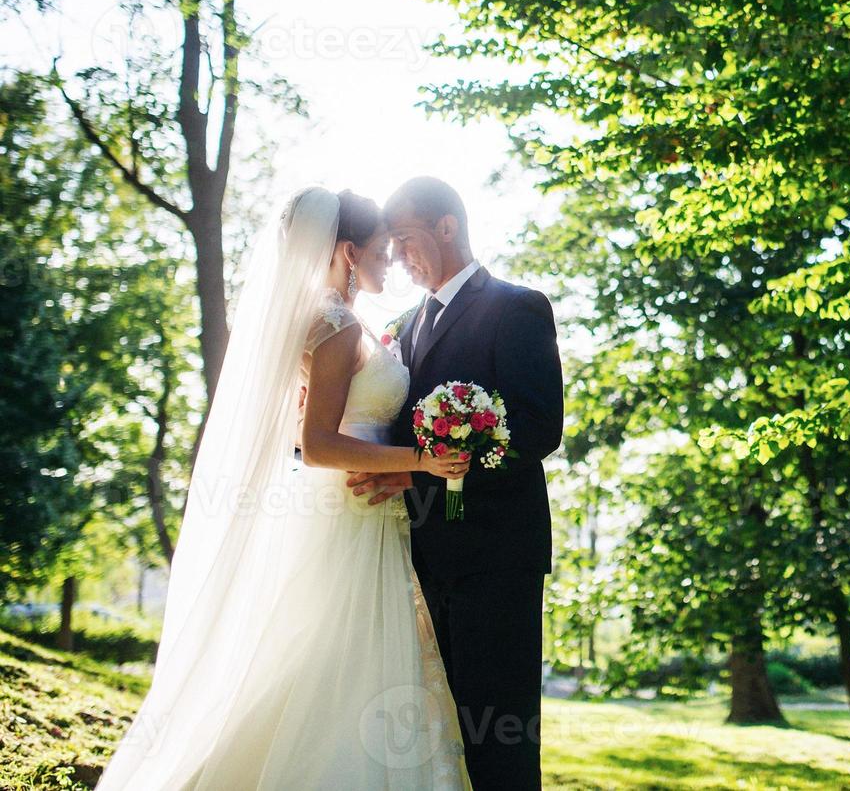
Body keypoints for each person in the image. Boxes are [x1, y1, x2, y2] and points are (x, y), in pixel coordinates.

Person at [96, 186, 472, 789]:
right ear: (348, 252)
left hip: (366, 512)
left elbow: (304, 436)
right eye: (380, 251)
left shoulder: (345, 324)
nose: (390, 263)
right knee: (332, 657)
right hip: (345, 514)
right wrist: (425, 461)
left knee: (346, 658)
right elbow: (319, 444)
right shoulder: (333, 326)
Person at [349, 176, 563, 790]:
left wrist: (452, 458)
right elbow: (397, 427)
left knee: (500, 729)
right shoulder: (400, 326)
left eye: (408, 239)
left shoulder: (518, 307)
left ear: (447, 227)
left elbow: (539, 427)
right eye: (390, 245)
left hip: (495, 559)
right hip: (413, 559)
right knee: (434, 734)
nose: (398, 256)